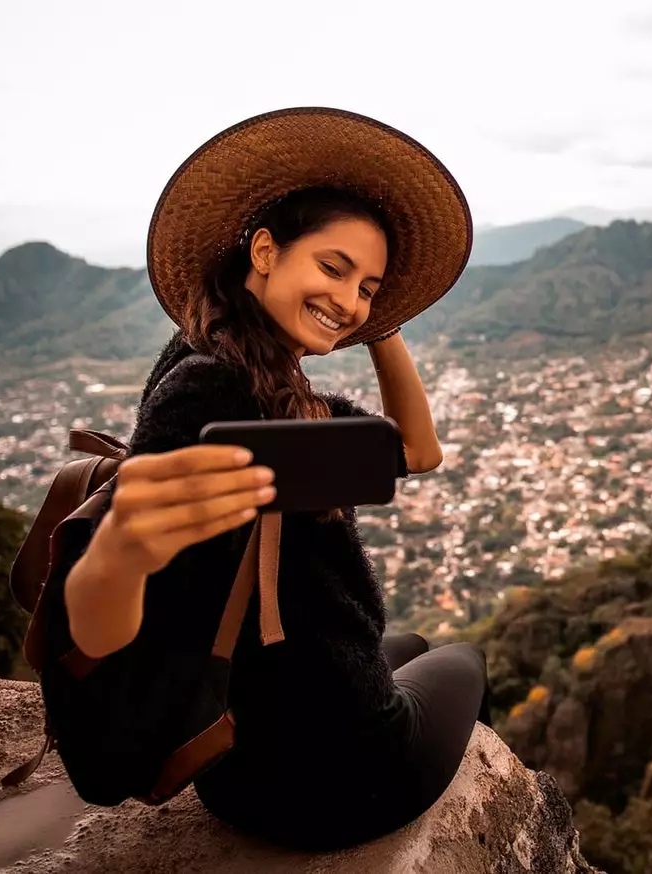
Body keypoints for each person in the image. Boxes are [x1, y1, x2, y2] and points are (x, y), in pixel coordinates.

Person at [36, 107, 485, 851]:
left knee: (402, 642)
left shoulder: (224, 364)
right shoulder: (219, 397)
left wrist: (379, 321)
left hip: (238, 766)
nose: (349, 302)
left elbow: (414, 449)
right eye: (333, 268)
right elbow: (111, 625)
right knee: (463, 658)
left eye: (370, 289)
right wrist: (114, 556)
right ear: (267, 250)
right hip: (337, 783)